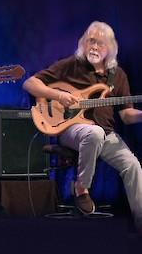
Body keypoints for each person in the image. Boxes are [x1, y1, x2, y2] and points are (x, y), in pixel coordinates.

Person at [23, 21, 142, 232]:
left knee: (132, 165)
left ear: (110, 49)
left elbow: (126, 115)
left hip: (106, 134)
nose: (94, 47)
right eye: (91, 41)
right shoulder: (71, 65)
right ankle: (82, 188)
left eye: (100, 43)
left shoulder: (118, 75)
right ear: (83, 43)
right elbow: (30, 83)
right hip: (70, 130)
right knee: (93, 132)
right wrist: (59, 95)